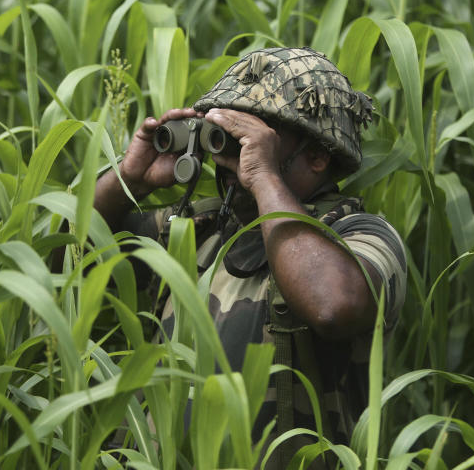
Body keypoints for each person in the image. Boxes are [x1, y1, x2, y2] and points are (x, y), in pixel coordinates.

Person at [93, 47, 406, 466]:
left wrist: (263, 175)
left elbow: (333, 305)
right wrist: (128, 178)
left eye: (250, 137)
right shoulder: (198, 228)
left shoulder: (359, 235)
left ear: (316, 156)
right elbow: (66, 258)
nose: (229, 158)